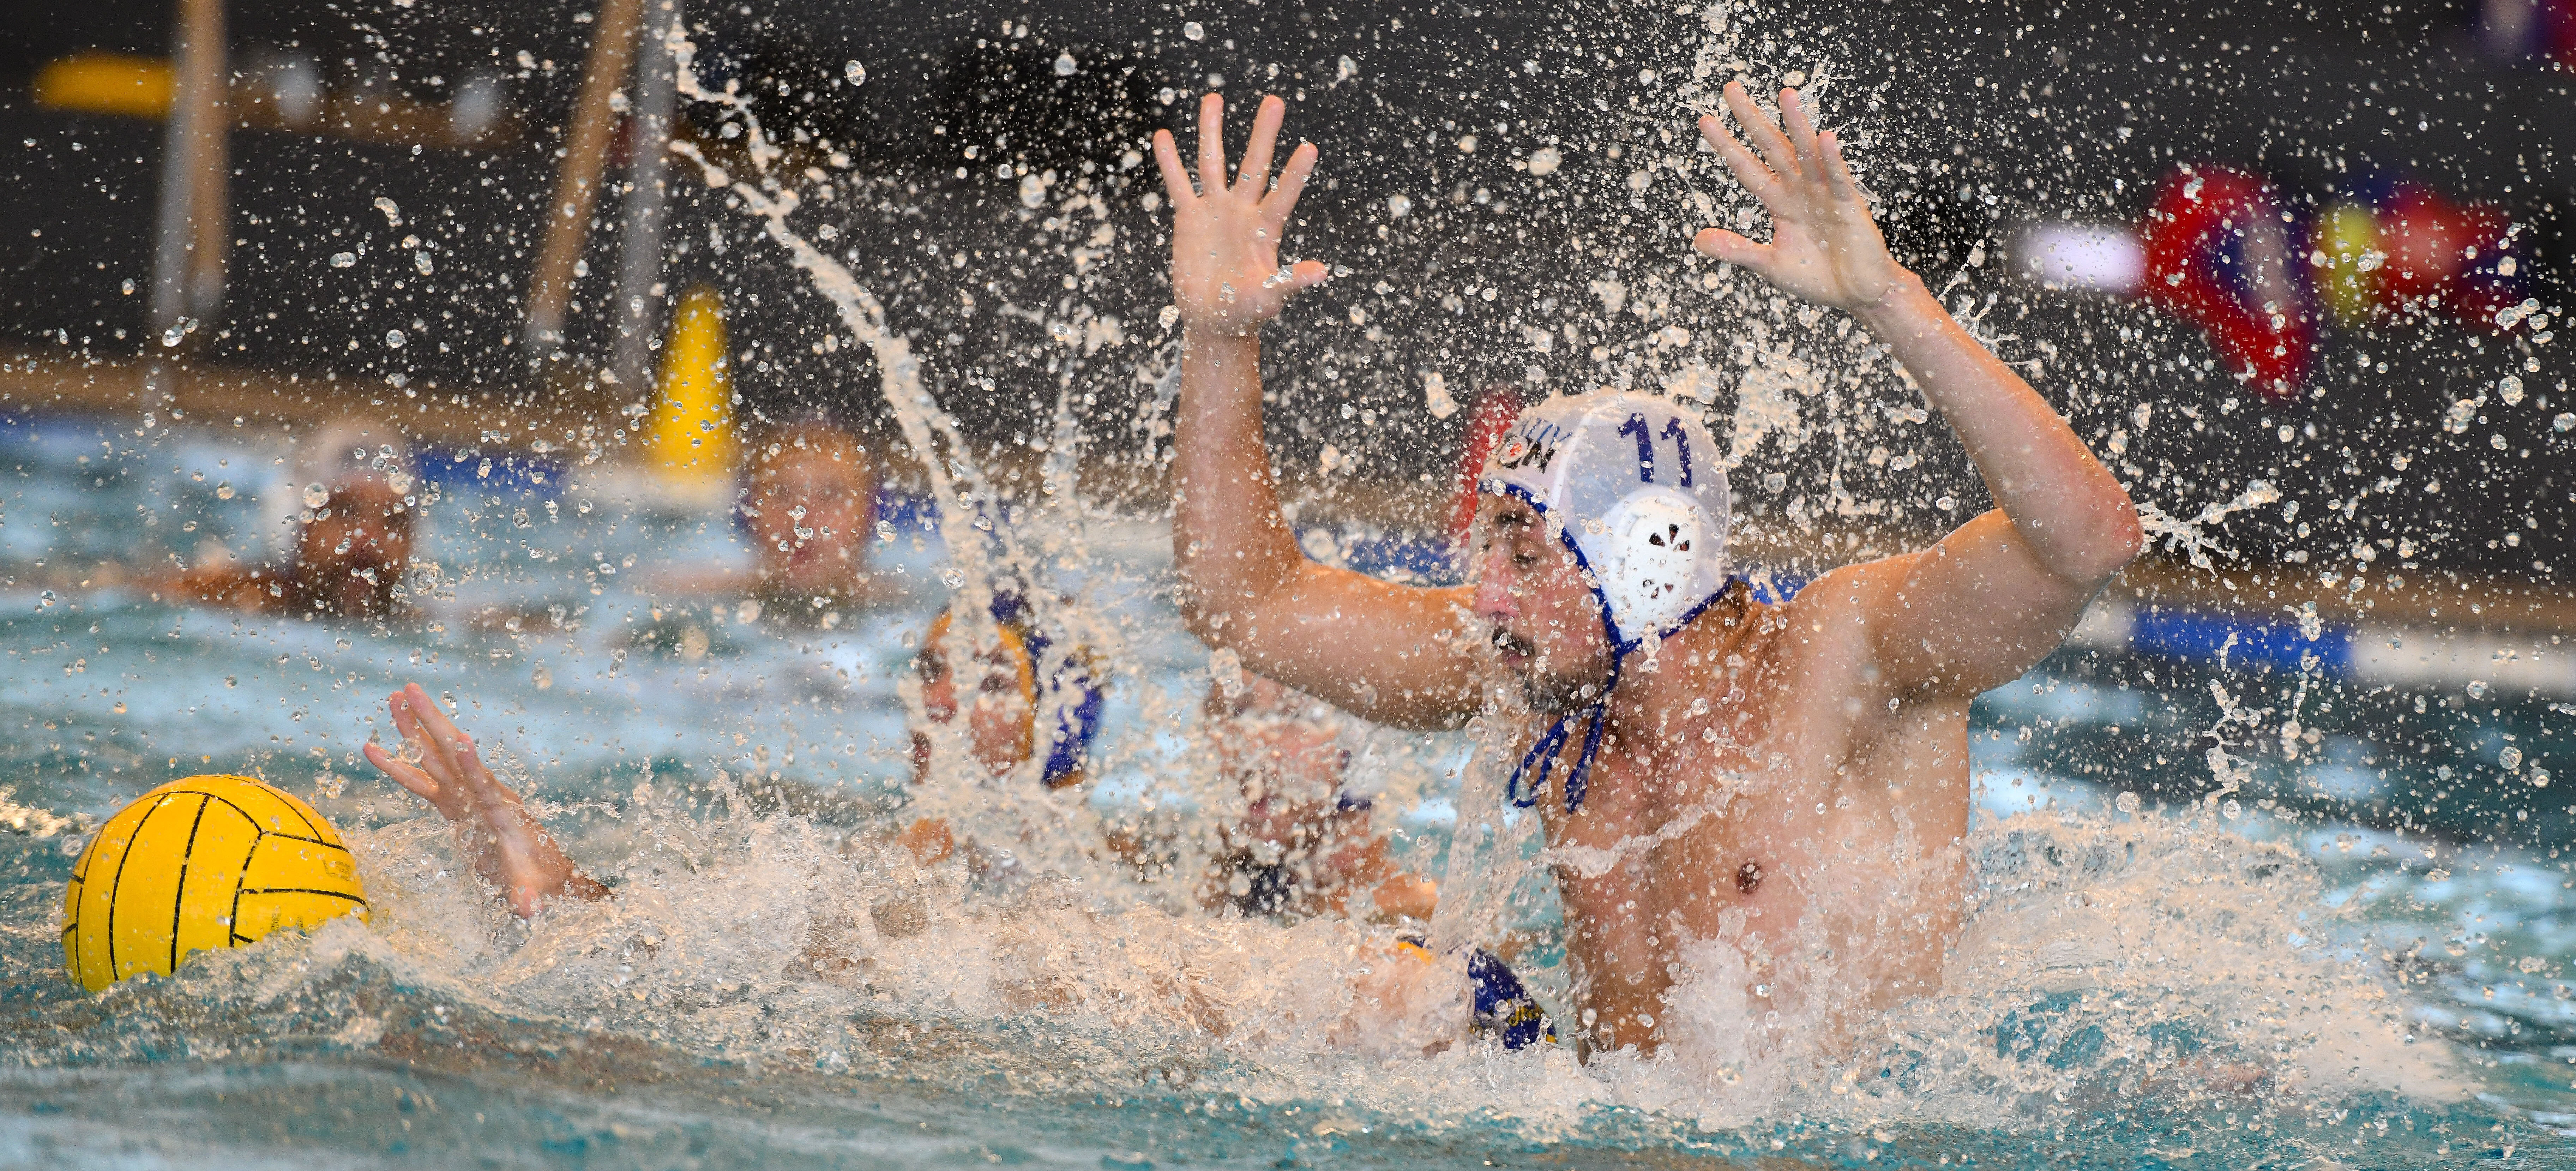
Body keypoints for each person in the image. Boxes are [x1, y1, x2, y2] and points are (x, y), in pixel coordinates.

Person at [1149, 85, 2144, 1059]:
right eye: (1491, 551)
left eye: (1525, 554)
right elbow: (1247, 601)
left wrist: (1894, 302)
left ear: (1650, 556)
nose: (1488, 593)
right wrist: (1219, 338)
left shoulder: (1846, 660)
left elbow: (2087, 542)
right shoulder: (1542, 682)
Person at [1198, 674, 1438, 924]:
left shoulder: (1410, 916)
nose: (1255, 741)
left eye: (1292, 713)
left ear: (1346, 755)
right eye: (1237, 710)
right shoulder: (1192, 883)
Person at [649, 419, 896, 622]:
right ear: (751, 513)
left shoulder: (904, 605)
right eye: (782, 493)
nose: (803, 518)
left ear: (868, 514)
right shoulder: (689, 595)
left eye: (831, 494)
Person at [172, 420, 418, 623]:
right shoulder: (228, 596)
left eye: (396, 521)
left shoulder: (423, 622)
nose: (370, 537)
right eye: (346, 512)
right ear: (295, 523)